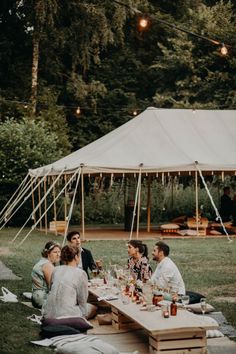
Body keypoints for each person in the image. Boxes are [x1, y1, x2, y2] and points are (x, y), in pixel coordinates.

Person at [43, 245, 88, 319]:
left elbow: (50, 289)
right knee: (92, 308)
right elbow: (82, 300)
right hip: (66, 314)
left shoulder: (56, 269)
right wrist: (83, 315)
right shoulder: (81, 273)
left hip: (48, 312)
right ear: (76, 257)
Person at [31, 241, 61, 308]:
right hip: (42, 298)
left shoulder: (44, 261)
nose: (58, 254)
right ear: (48, 253)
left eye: (59, 252)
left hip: (37, 296)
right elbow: (51, 287)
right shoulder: (47, 265)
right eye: (55, 252)